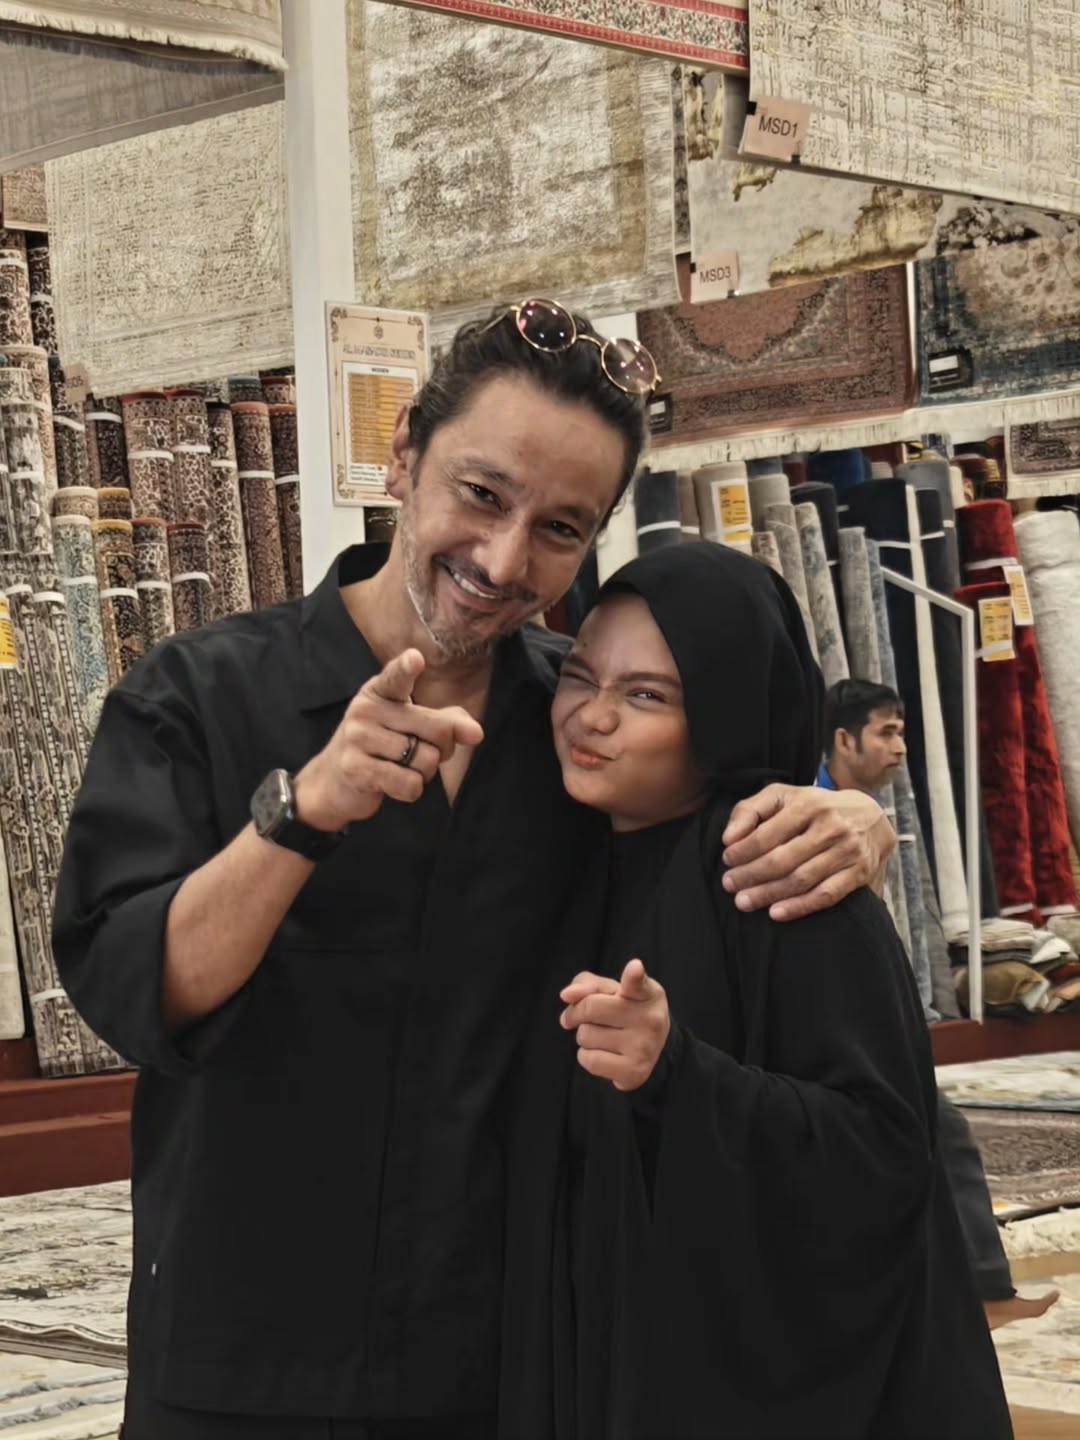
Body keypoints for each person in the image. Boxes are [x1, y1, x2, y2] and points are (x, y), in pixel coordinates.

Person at [53, 301, 894, 1438]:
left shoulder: (578, 731)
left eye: (560, 528)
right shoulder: (197, 698)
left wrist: (850, 816)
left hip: (509, 1365)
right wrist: (300, 815)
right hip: (246, 1358)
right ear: (403, 455)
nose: (504, 562)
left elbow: (715, 845)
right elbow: (131, 992)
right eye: (483, 494)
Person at [500, 543, 1012, 1440]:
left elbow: (880, 1156)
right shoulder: (571, 860)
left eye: (647, 695)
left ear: (727, 711)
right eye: (579, 675)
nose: (593, 715)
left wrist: (677, 1074)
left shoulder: (780, 872)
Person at [821, 678, 1060, 1330]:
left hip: (850, 1014)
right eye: (887, 732)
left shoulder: (855, 812)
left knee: (928, 1130)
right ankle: (976, 1291)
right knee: (931, 1128)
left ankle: (968, 1289)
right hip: (832, 1019)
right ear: (843, 739)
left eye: (901, 732)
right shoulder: (823, 818)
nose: (901, 747)